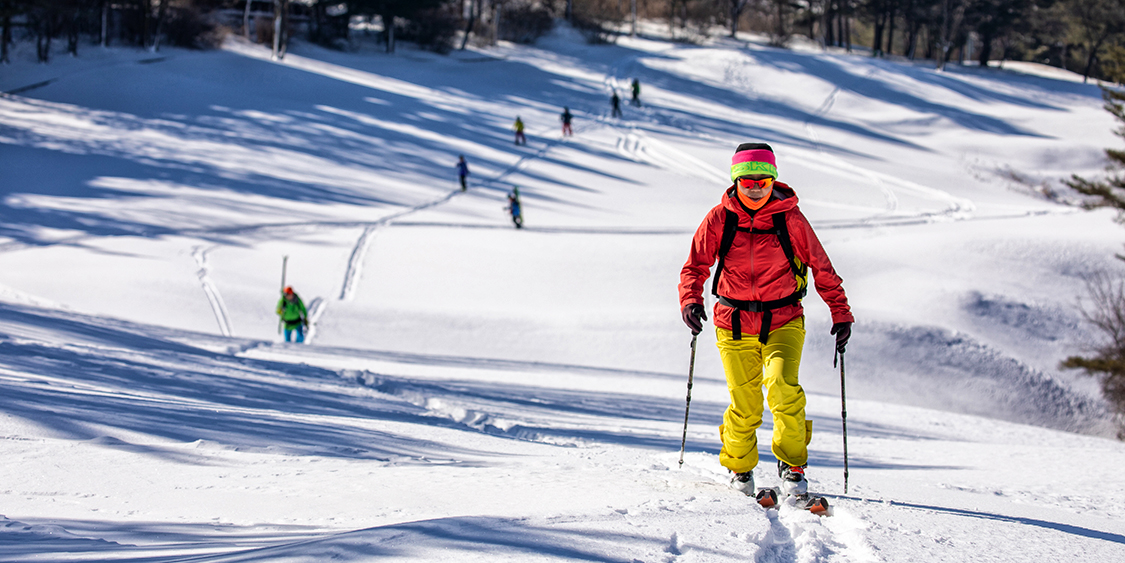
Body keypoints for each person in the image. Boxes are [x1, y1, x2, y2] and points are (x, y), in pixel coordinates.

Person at [678, 143, 853, 497]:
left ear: (774, 180)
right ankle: (741, 469)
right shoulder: (720, 218)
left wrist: (840, 311)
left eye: (763, 180)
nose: (755, 187)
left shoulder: (790, 219)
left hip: (784, 319)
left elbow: (821, 267)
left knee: (783, 386)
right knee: (745, 403)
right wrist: (690, 300)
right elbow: (695, 265)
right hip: (734, 322)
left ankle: (792, 465)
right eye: (747, 181)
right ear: (736, 181)